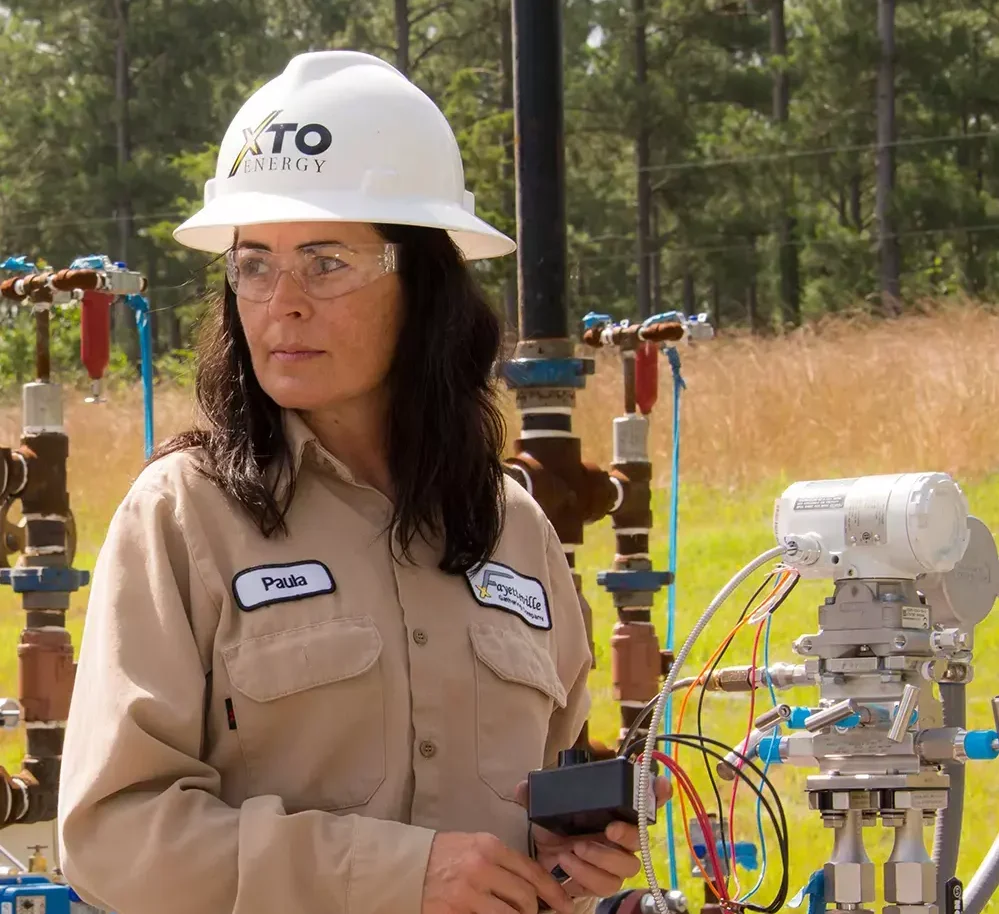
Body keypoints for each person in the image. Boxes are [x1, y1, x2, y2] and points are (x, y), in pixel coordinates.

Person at [57, 50, 669, 914]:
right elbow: (112, 836)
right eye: (255, 264)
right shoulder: (184, 515)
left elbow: (537, 799)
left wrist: (568, 856)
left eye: (325, 261)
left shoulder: (514, 529)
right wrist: (394, 874)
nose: (281, 303)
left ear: (423, 283)